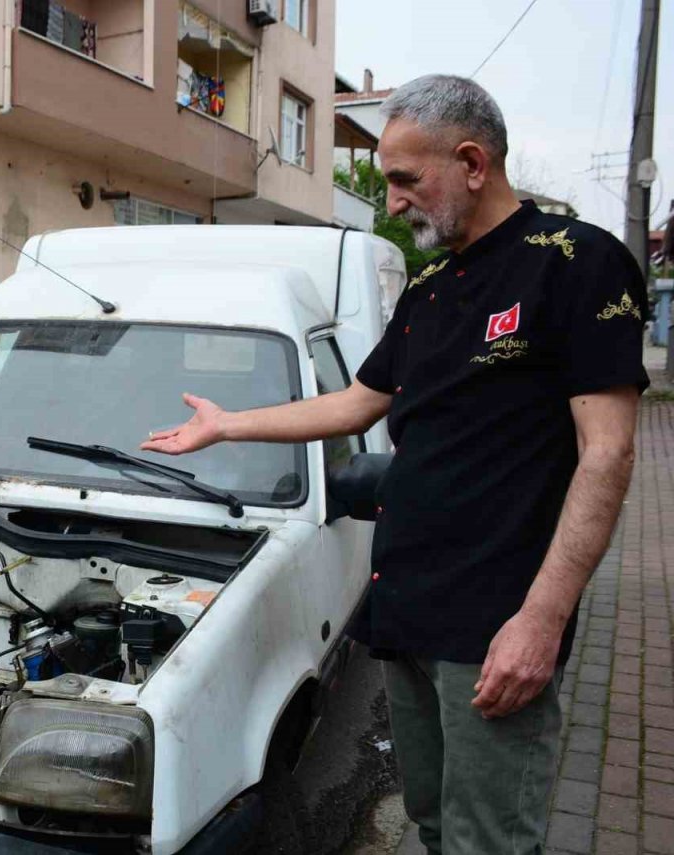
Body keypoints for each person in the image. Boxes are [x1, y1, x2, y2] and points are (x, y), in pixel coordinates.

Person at [142, 75, 648, 854]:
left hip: (493, 624)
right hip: (406, 609)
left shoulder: (576, 262)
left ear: (472, 163)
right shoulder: (432, 286)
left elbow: (608, 453)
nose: (393, 200)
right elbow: (356, 403)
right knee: (434, 821)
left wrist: (542, 621)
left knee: (489, 840)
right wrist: (227, 424)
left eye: (406, 178)